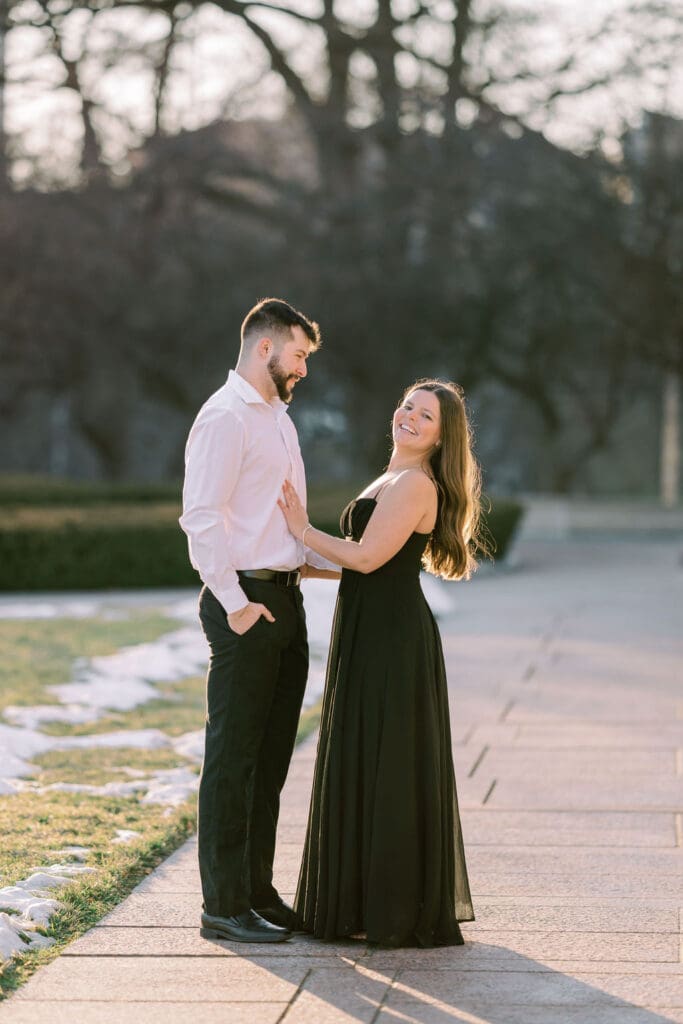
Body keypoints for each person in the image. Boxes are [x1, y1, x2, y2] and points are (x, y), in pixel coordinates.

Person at [277, 378, 486, 947]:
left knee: (388, 760)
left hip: (393, 641)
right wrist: (308, 568)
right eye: (409, 407)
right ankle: (363, 902)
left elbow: (369, 558)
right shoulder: (391, 477)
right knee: (366, 753)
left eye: (427, 417)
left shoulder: (416, 484)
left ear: (443, 438)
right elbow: (375, 567)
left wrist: (303, 530)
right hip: (370, 629)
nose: (411, 418)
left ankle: (391, 907)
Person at [179, 297, 337, 944]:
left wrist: (325, 566)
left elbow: (280, 514)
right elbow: (202, 517)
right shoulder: (224, 418)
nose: (303, 368)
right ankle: (222, 905)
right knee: (232, 759)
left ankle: (256, 892)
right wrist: (236, 605)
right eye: (298, 355)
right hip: (244, 603)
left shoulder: (277, 418)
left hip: (285, 600)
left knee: (269, 760)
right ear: (265, 346)